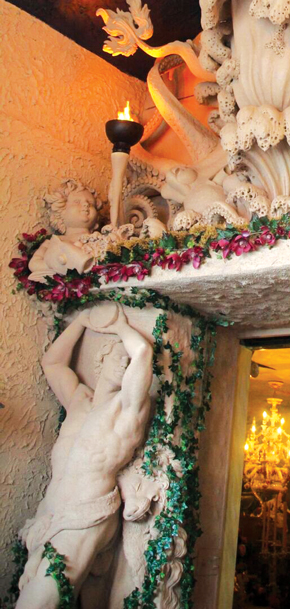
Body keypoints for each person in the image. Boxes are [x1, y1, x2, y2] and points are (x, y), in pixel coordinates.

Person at [17, 304, 153, 609]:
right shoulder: (79, 400)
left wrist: (118, 326)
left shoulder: (126, 409)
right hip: (50, 512)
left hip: (87, 512)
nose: (124, 363)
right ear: (101, 360)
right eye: (118, 356)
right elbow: (52, 363)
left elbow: (143, 352)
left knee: (39, 601)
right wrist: (82, 320)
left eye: (127, 361)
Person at [28, 180, 103, 282]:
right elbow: (34, 264)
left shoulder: (99, 240)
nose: (86, 204)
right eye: (77, 202)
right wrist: (60, 264)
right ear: (61, 211)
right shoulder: (52, 243)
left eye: (91, 203)